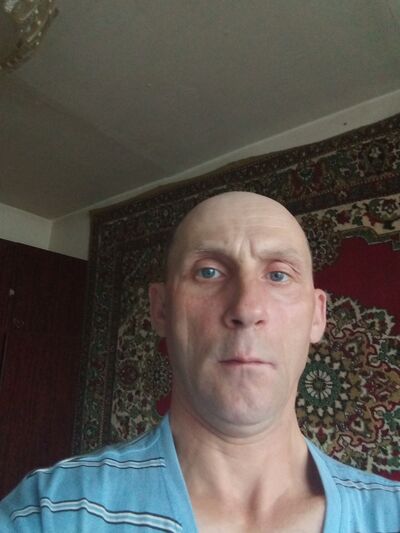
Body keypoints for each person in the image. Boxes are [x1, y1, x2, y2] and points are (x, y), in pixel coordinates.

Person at [0, 191, 399, 532]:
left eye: (278, 275)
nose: (246, 308)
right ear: (161, 308)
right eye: (208, 272)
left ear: (317, 315)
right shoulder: (48, 511)